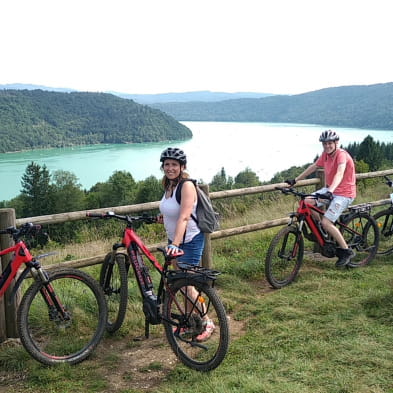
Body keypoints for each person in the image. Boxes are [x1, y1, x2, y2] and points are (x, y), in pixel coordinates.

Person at [158, 147, 215, 341]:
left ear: (182, 166)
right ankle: (192, 321)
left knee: (188, 286)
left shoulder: (186, 186)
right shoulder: (169, 186)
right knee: (181, 285)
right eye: (167, 164)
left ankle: (207, 321)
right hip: (174, 241)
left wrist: (175, 245)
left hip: (188, 241)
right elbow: (173, 210)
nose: (170, 168)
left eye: (174, 164)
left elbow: (184, 217)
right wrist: (163, 217)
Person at [286, 130, 357, 267]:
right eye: (324, 144)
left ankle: (346, 250)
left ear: (336, 143)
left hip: (344, 193)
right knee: (307, 202)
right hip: (330, 190)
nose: (327, 146)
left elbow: (340, 173)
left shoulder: (342, 155)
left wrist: (330, 191)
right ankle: (320, 229)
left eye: (330, 143)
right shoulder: (325, 155)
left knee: (327, 222)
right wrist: (295, 180)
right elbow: (314, 167)